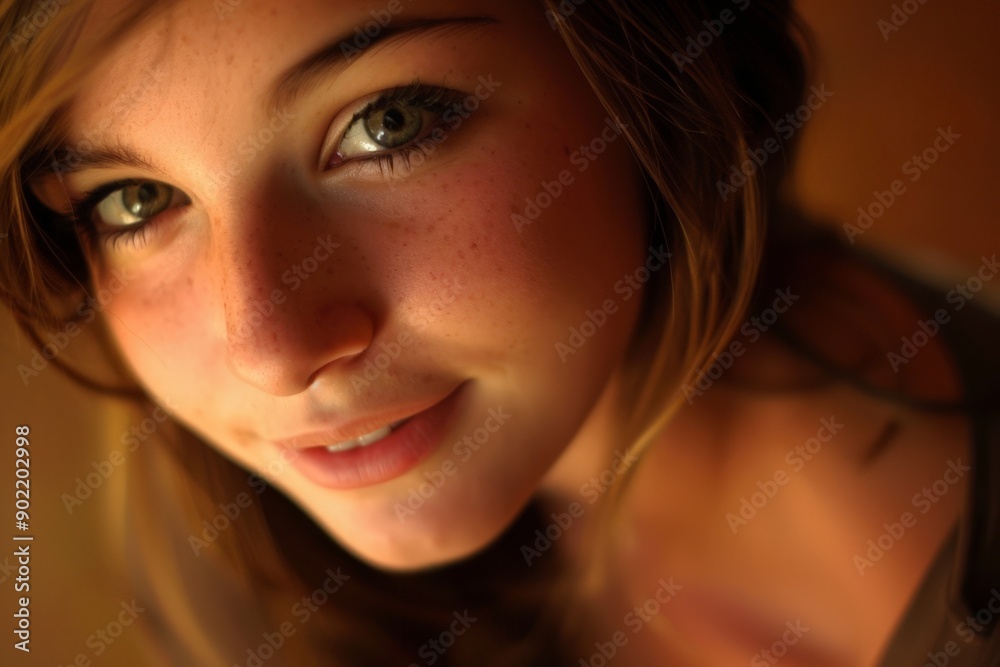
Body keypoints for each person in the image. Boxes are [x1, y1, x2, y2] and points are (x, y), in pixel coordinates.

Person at [1, 0, 997, 665]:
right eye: (135, 200)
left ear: (646, 69)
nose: (270, 349)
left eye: (388, 123)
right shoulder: (241, 547)